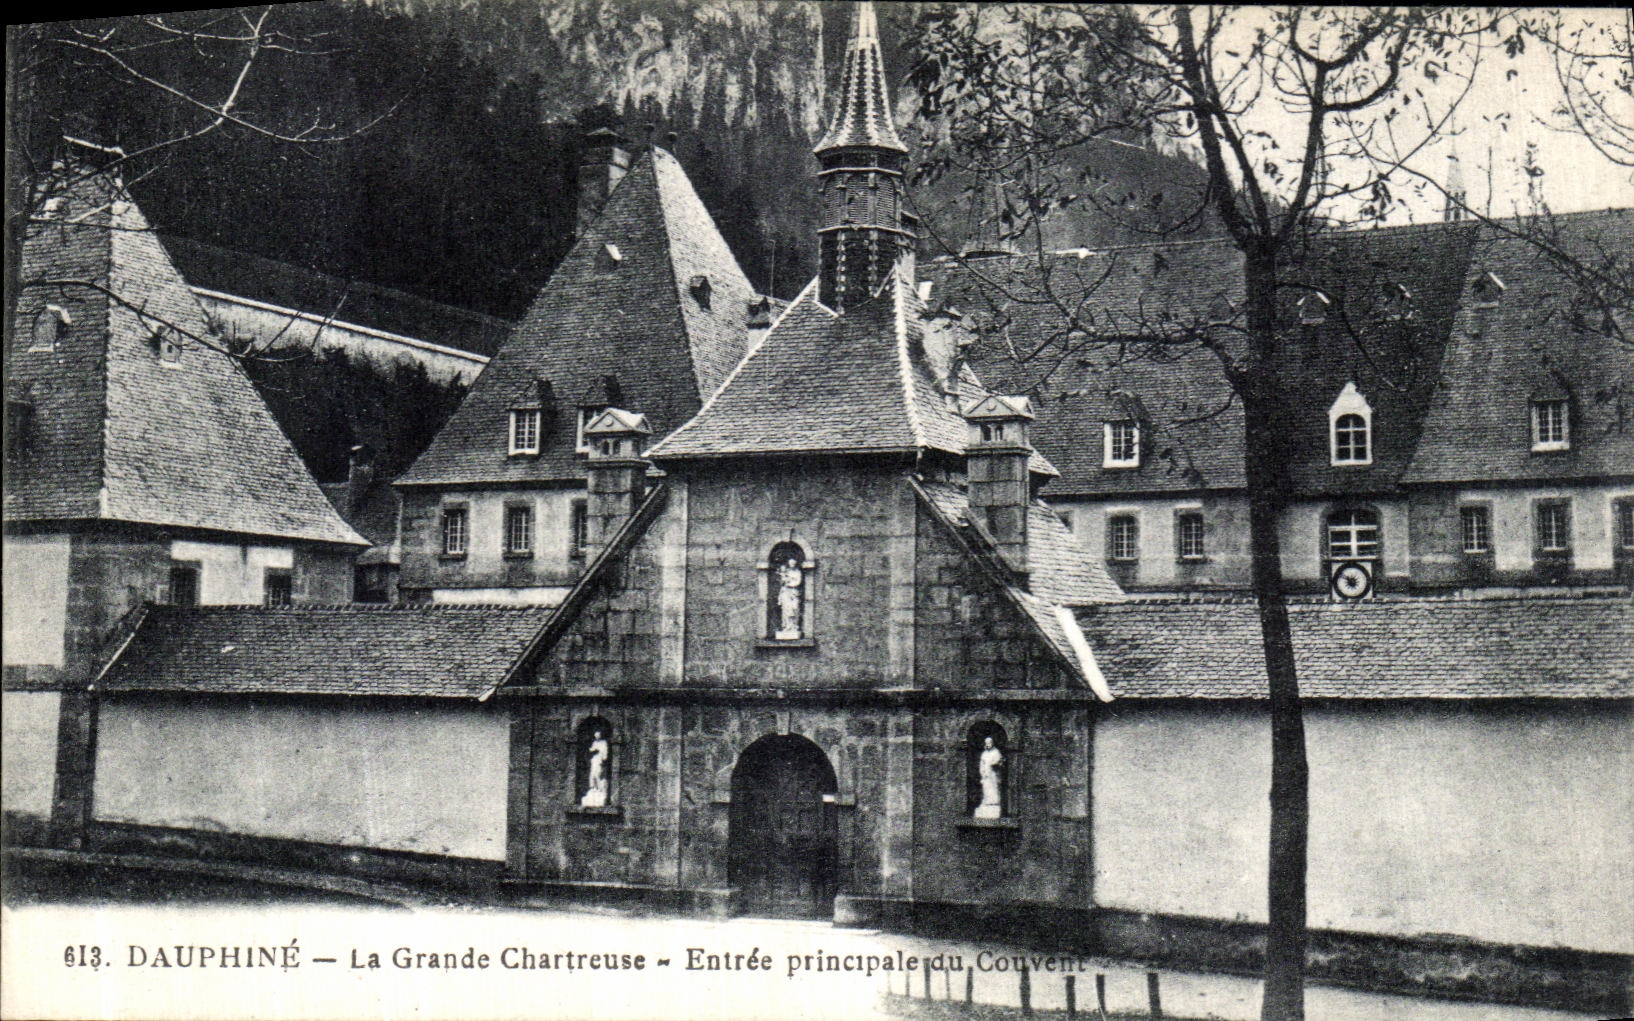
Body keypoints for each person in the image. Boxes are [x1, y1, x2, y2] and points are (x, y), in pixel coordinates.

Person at [975, 736, 1004, 819]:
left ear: (992, 743)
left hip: (993, 774)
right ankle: (986, 802)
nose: (988, 745)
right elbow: (982, 764)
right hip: (986, 775)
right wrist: (982, 772)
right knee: (986, 788)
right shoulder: (984, 754)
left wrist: (995, 764)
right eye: (986, 743)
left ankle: (994, 803)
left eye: (989, 743)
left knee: (993, 788)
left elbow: (999, 762)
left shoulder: (996, 752)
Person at [775, 557, 803, 639]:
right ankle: (786, 627)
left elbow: (798, 582)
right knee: (786, 609)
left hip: (794, 592)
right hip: (786, 592)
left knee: (795, 608)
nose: (792, 565)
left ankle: (794, 626)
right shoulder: (786, 572)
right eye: (791, 563)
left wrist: (790, 583)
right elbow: (782, 582)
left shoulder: (798, 572)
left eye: (793, 563)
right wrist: (784, 579)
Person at [582, 729, 609, 808]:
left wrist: (601, 754)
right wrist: (592, 750)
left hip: (599, 760)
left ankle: (599, 789)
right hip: (594, 759)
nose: (597, 736)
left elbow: (605, 753)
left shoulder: (603, 743)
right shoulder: (594, 743)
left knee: (598, 774)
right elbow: (591, 750)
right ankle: (593, 788)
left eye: (598, 735)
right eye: (595, 735)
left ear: (600, 735)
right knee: (592, 774)